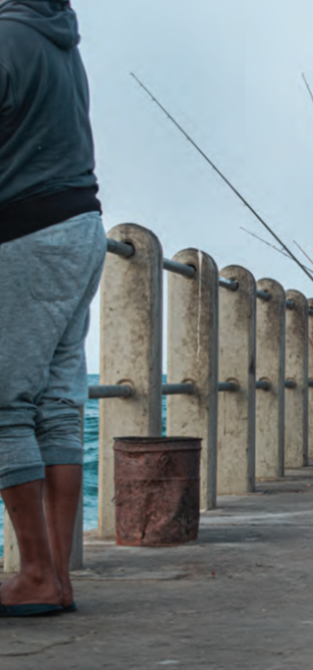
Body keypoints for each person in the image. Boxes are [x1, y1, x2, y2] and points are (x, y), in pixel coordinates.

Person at [0, 0, 106, 616]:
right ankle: (57, 578)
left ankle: (35, 573)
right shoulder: (64, 41)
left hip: (26, 232)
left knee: (5, 405)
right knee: (57, 407)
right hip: (81, 227)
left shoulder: (7, 36)